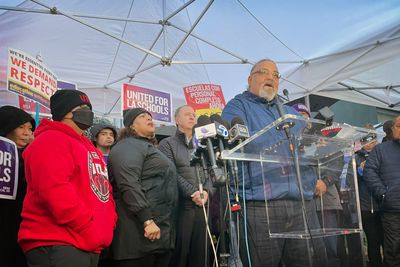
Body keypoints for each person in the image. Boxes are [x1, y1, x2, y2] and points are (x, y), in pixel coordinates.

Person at [222, 58, 326, 267]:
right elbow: (235, 144)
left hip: (300, 204)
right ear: (250, 79)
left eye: (276, 75)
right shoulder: (236, 107)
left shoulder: (290, 113)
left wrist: (314, 170)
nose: (271, 77)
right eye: (264, 72)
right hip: (260, 204)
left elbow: (307, 149)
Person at [18, 90, 117, 267]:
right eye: (81, 108)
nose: (88, 112)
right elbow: (55, 191)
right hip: (57, 241)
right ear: (65, 112)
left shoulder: (88, 147)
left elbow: (104, 189)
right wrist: (88, 228)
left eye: (89, 108)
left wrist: (108, 224)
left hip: (87, 243)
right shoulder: (50, 139)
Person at [109, 107, 178, 267]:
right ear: (131, 126)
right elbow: (128, 182)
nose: (149, 118)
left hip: (158, 233)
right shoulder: (127, 146)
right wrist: (146, 219)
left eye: (150, 115)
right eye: (142, 116)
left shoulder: (148, 147)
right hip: (137, 234)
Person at [158, 105, 212, 267]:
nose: (192, 117)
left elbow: (213, 170)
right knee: (180, 254)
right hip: (181, 206)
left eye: (194, 114)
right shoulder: (167, 144)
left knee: (201, 254)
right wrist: (193, 193)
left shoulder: (204, 143)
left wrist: (207, 191)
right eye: (187, 114)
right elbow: (170, 172)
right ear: (177, 120)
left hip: (204, 205)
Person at [292, 103, 342, 267]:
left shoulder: (326, 140)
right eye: (298, 117)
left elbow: (336, 165)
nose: (303, 120)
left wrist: (325, 182)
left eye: (305, 116)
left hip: (325, 202)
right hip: (302, 204)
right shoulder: (292, 144)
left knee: (330, 248)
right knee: (307, 249)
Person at [0, 106, 35, 267]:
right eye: (21, 127)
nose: (27, 133)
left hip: (23, 228)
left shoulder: (32, 156)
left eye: (30, 128)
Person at [364, 116, 400, 267]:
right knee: (394, 252)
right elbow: (369, 171)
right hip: (393, 211)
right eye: (397, 126)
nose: (398, 129)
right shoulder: (381, 149)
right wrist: (383, 193)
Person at [355, 127, 383, 267]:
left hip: (383, 206)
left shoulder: (382, 154)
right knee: (373, 243)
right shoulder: (355, 157)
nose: (370, 142)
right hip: (366, 207)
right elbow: (350, 181)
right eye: (366, 138)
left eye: (372, 138)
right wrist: (359, 170)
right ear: (361, 141)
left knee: (389, 241)